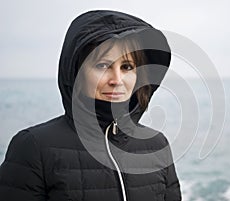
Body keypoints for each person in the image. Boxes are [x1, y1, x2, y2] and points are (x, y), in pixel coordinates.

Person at [0, 10, 181, 201]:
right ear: (77, 72)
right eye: (103, 66)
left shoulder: (156, 145)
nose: (117, 80)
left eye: (127, 67)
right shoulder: (33, 146)